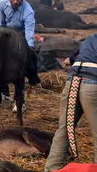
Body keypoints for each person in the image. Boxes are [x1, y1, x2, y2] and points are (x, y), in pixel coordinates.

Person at [45, 33, 97, 171]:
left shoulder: (89, 39)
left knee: (64, 128)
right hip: (93, 85)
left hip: (72, 83)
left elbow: (70, 60)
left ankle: (52, 168)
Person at [0, 0, 35, 112]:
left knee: (22, 68)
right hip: (5, 34)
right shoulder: (2, 3)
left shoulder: (28, 11)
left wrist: (28, 49)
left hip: (20, 36)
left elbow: (29, 32)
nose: (15, 1)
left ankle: (21, 101)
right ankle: (3, 93)